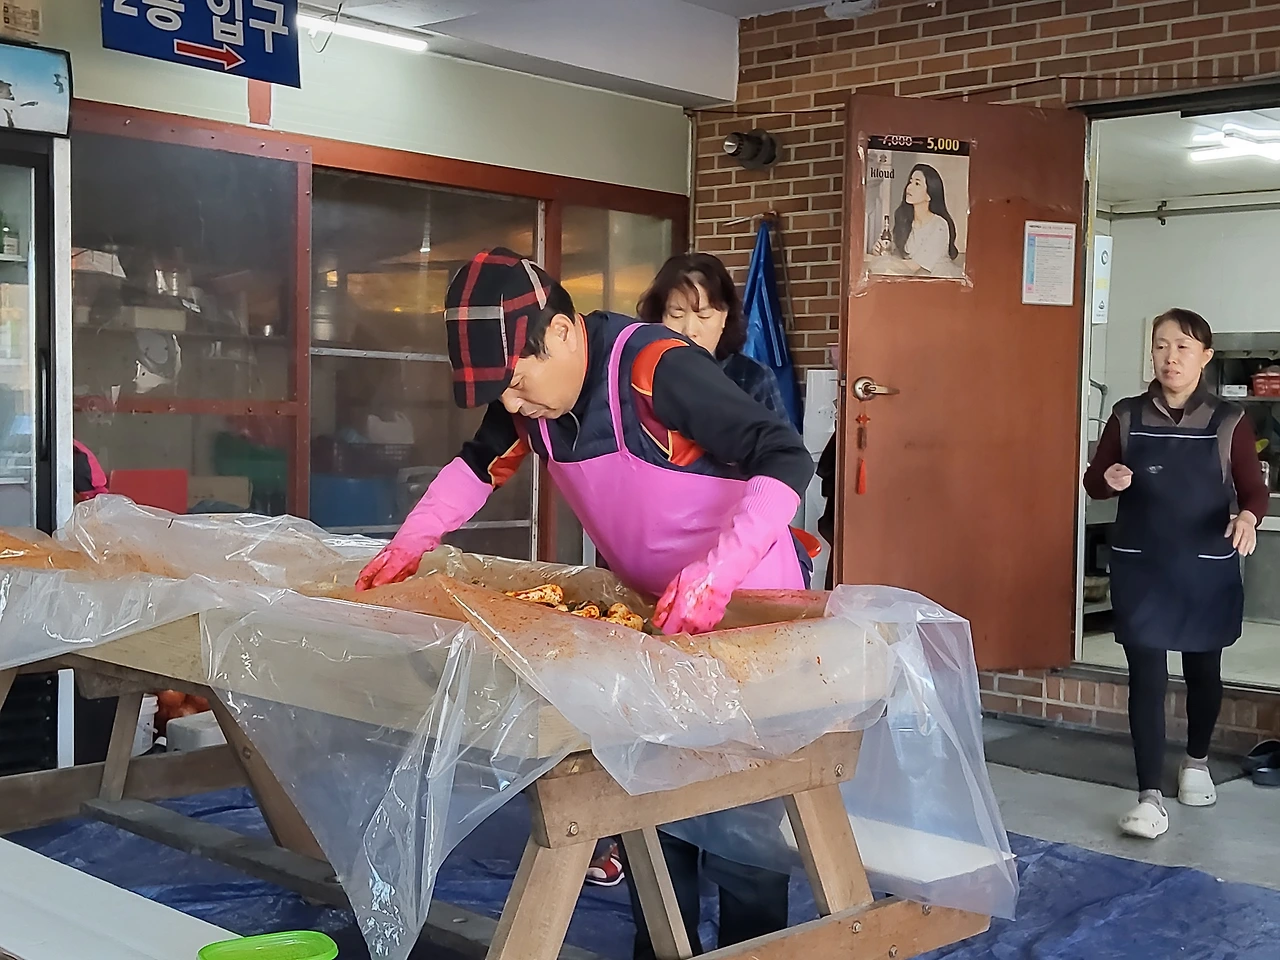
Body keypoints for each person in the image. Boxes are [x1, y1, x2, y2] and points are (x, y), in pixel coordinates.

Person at [356, 248, 813, 953]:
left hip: (747, 608)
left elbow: (784, 455)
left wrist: (717, 573)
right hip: (654, 617)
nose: (511, 404)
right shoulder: (532, 401)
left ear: (564, 332)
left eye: (516, 382)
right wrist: (410, 543)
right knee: (655, 808)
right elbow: (479, 463)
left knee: (741, 823)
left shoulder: (656, 367)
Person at [1083, 308, 1267, 840]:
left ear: (1205, 357)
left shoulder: (1229, 420)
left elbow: (1253, 491)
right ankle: (1148, 797)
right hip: (1142, 564)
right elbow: (1095, 482)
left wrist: (1248, 519)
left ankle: (1196, 762)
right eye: (1161, 346)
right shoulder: (1126, 415)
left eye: (1183, 347)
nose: (1170, 357)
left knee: (1203, 670)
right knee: (1147, 677)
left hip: (1205, 567)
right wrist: (1110, 478)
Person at [871, 163, 960, 276]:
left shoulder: (939, 225)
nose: (909, 187)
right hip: (912, 278)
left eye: (917, 183)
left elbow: (913, 266)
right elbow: (898, 256)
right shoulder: (905, 221)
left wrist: (882, 262)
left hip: (938, 279)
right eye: (910, 181)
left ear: (929, 195)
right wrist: (881, 251)